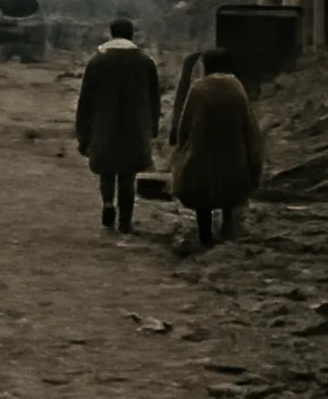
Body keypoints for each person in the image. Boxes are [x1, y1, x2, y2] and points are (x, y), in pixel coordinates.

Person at [170, 47, 265, 246]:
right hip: (232, 148)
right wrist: (253, 148)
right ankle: (227, 229)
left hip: (203, 149)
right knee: (229, 188)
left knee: (202, 192)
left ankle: (204, 235)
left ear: (205, 66)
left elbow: (185, 122)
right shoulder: (235, 87)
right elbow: (248, 120)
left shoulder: (198, 88)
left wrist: (180, 146)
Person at [75, 18, 161, 233]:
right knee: (128, 175)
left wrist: (83, 132)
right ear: (132, 35)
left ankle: (107, 204)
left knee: (106, 170)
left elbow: (85, 100)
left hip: (103, 126)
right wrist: (153, 127)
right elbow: (154, 99)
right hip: (135, 126)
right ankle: (125, 221)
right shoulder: (145, 63)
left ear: (111, 34)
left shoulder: (97, 62)